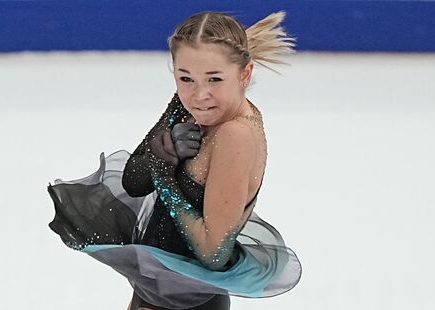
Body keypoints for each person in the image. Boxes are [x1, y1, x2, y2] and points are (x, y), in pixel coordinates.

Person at [47, 11, 301, 310]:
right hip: (155, 289)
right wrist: (161, 153)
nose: (199, 95)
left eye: (215, 79)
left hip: (190, 302)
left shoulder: (236, 135)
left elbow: (213, 252)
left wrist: (164, 174)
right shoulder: (187, 103)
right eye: (185, 78)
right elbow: (132, 181)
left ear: (245, 74)